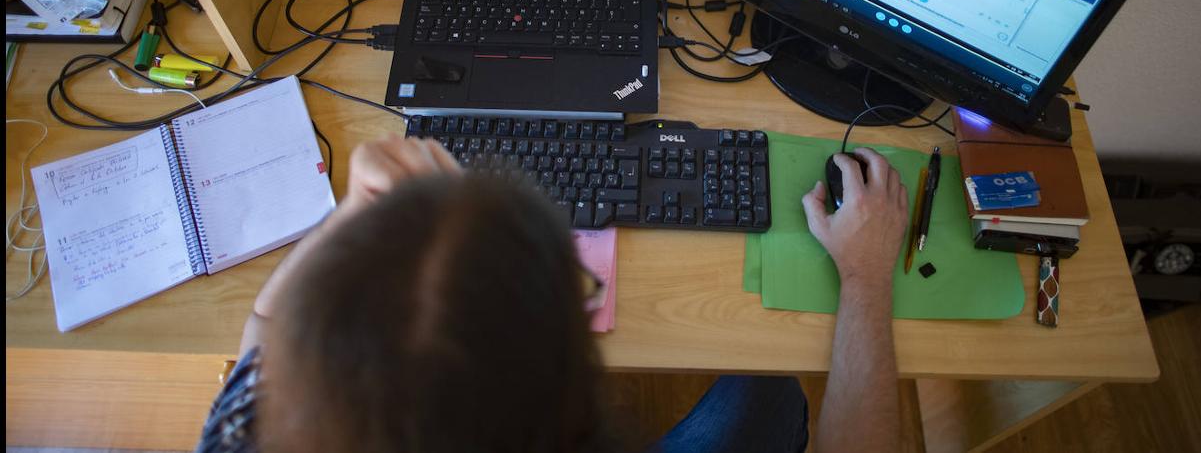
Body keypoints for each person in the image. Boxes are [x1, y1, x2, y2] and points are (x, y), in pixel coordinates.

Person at [195, 135, 909, 453]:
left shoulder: (252, 436)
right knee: (770, 394)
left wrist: (365, 217)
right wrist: (866, 277)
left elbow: (265, 325)